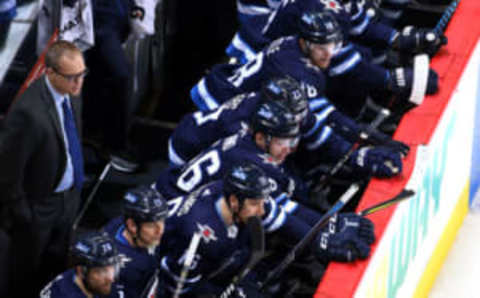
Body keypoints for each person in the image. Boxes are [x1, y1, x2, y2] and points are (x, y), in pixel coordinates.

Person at [0, 40, 86, 297]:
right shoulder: (28, 113)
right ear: (50, 73)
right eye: (72, 77)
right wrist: (24, 214)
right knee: (26, 275)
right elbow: (7, 172)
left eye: (82, 74)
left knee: (56, 267)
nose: (78, 83)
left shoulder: (72, 95)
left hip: (67, 200)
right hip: (39, 209)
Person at [159, 162, 271, 297]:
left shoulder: (222, 189)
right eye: (254, 204)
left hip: (192, 258)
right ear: (234, 201)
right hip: (162, 273)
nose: (262, 211)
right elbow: (176, 287)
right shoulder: (202, 237)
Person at [103, 185, 168, 297]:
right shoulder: (121, 270)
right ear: (132, 225)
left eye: (162, 221)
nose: (160, 230)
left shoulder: (121, 224)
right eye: (152, 225)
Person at [40, 232, 124, 298]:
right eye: (101, 271)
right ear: (81, 271)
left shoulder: (79, 277)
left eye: (112, 268)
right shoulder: (65, 294)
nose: (111, 279)